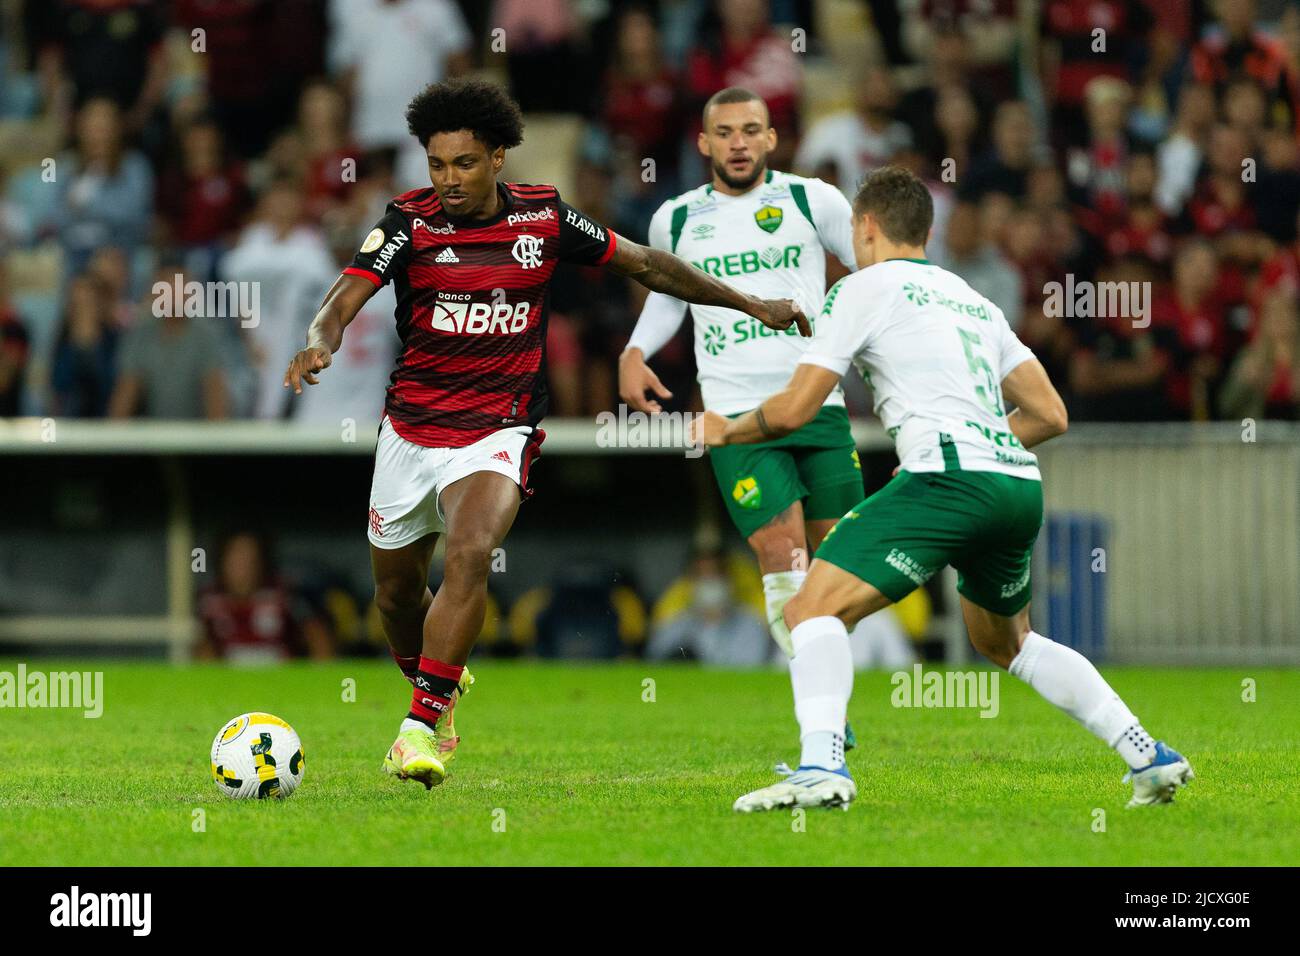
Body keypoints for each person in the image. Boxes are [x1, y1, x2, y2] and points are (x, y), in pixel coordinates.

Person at [282, 78, 808, 790]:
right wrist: (320, 341)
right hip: (411, 430)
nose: (449, 180)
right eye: (437, 165)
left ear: (498, 158)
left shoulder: (545, 220)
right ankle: (438, 676)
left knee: (470, 553)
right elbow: (343, 297)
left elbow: (647, 264)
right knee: (398, 598)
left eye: (464, 163)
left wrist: (751, 304)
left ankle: (417, 728)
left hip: (499, 428)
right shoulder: (408, 223)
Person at [697, 166, 1192, 812]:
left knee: (810, 608)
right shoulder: (972, 299)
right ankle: (1147, 755)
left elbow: (795, 409)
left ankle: (821, 767)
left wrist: (728, 431)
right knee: (1006, 642)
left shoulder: (862, 290)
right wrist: (982, 447)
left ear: (865, 227)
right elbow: (1051, 415)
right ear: (926, 232)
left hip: (945, 480)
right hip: (1016, 485)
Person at [619, 87, 862, 737]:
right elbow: (670, 296)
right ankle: (823, 720)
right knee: (782, 558)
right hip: (732, 417)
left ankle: (825, 694)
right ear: (703, 143)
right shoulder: (675, 219)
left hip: (816, 403)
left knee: (841, 569)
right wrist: (635, 349)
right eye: (724, 132)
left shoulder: (815, 200)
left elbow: (875, 271)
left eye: (751, 130)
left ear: (772, 138)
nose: (738, 142)